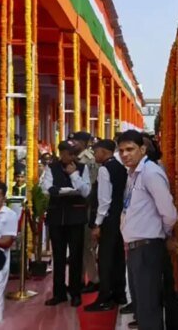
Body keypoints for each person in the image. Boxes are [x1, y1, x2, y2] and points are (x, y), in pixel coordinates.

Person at [117, 130, 178, 330]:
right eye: (121, 151)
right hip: (137, 247)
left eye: (130, 149)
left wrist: (164, 234)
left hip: (148, 247)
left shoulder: (150, 173)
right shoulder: (133, 175)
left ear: (142, 149)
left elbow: (169, 212)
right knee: (143, 306)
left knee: (148, 307)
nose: (125, 154)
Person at [40, 140, 91, 307]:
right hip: (56, 216)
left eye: (74, 153)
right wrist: (55, 190)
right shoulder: (51, 168)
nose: (72, 156)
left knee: (76, 256)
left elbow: (86, 191)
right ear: (61, 153)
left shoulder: (82, 168)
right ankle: (59, 292)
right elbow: (45, 187)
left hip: (75, 217)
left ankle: (75, 292)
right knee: (58, 256)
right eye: (68, 153)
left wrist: (73, 175)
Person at [85, 140, 128, 312]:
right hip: (119, 219)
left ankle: (105, 297)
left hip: (108, 220)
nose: (95, 156)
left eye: (96, 153)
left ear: (104, 152)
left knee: (105, 259)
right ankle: (119, 293)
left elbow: (104, 200)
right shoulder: (120, 167)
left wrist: (97, 224)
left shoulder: (105, 169)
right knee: (117, 257)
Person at [72, 131, 100, 293]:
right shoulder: (74, 157)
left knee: (87, 245)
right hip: (76, 205)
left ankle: (93, 279)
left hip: (87, 205)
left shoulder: (89, 159)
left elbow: (92, 185)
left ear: (83, 142)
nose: (73, 144)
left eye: (75, 141)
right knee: (78, 246)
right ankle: (80, 279)